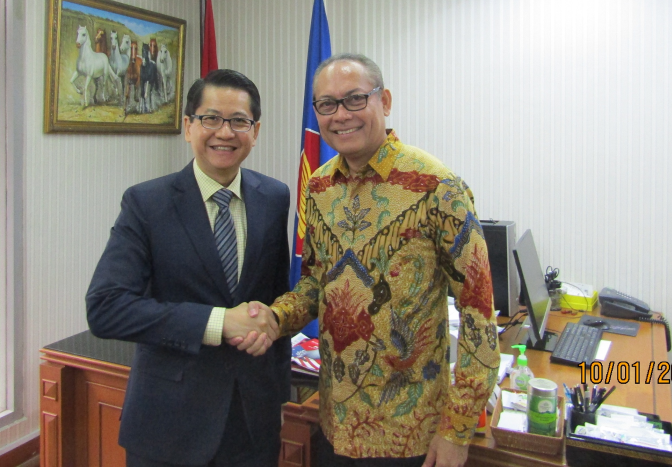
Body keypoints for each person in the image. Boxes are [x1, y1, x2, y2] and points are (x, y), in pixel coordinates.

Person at [248, 54, 500, 467]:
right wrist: (275, 317)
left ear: (384, 101)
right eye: (327, 104)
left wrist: (457, 429)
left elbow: (479, 314)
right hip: (334, 426)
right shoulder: (319, 187)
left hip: (410, 437)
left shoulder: (437, 187)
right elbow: (315, 285)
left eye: (354, 99)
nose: (340, 115)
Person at [86, 69, 291, 467]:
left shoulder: (274, 196)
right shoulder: (146, 203)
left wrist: (278, 397)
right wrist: (218, 322)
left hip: (253, 425)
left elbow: (276, 295)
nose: (225, 133)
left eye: (239, 121)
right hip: (168, 427)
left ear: (255, 131)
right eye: (211, 118)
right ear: (188, 126)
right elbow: (105, 307)